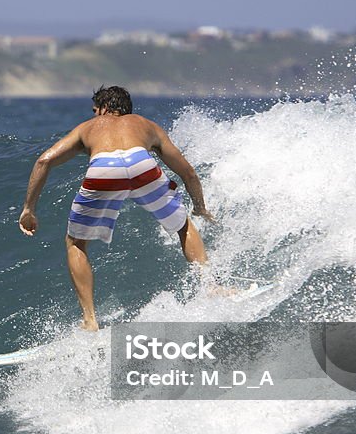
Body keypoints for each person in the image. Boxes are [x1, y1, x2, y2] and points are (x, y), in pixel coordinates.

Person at [18, 85, 215, 331]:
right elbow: (188, 172)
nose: (94, 115)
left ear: (104, 108)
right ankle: (210, 287)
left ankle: (90, 320)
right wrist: (200, 206)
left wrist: (29, 208)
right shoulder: (145, 124)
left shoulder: (87, 128)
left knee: (76, 244)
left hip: (103, 169)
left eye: (95, 110)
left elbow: (44, 160)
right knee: (183, 226)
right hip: (141, 163)